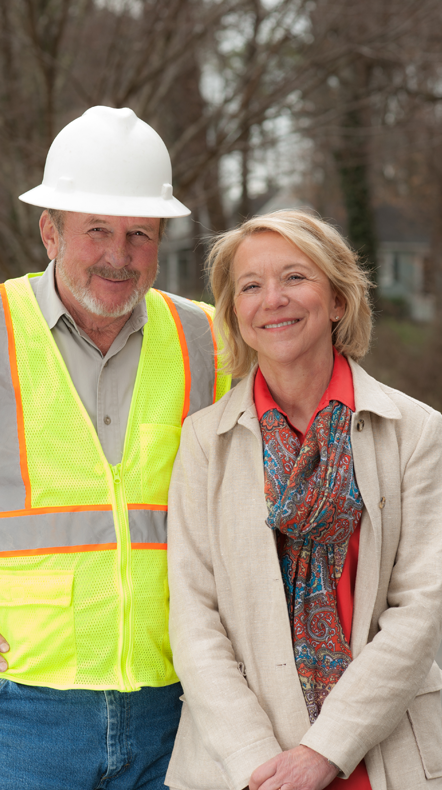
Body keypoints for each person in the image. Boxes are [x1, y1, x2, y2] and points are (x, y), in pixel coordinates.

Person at [0, 105, 230, 790]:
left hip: (175, 711)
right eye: (97, 231)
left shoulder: (207, 340)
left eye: (139, 235)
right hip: (19, 716)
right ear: (50, 232)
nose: (119, 255)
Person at [166, 209, 442, 790]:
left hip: (379, 755)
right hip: (241, 768)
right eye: (251, 286)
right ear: (235, 312)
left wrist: (323, 752)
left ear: (338, 299)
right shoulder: (202, 441)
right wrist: (254, 760)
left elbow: (419, 612)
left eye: (295, 277)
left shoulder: (416, 432)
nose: (274, 299)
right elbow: (194, 616)